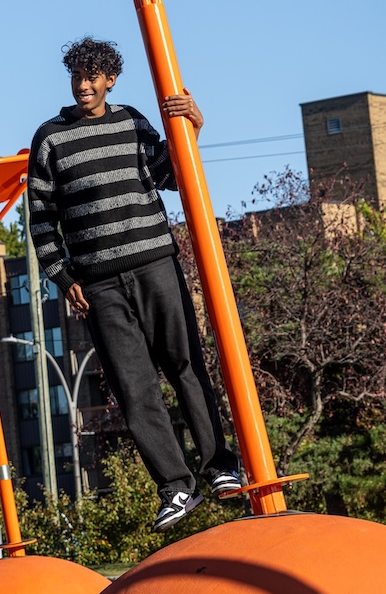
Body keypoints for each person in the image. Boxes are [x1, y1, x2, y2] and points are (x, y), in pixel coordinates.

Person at [28, 36, 242, 531]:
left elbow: (170, 174)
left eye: (92, 76)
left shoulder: (132, 122)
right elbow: (40, 219)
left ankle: (219, 468)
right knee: (133, 388)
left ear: (110, 80)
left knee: (185, 364)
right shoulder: (50, 138)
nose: (83, 85)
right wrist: (62, 277)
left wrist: (193, 127)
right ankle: (175, 487)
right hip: (98, 285)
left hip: (155, 264)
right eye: (76, 76)